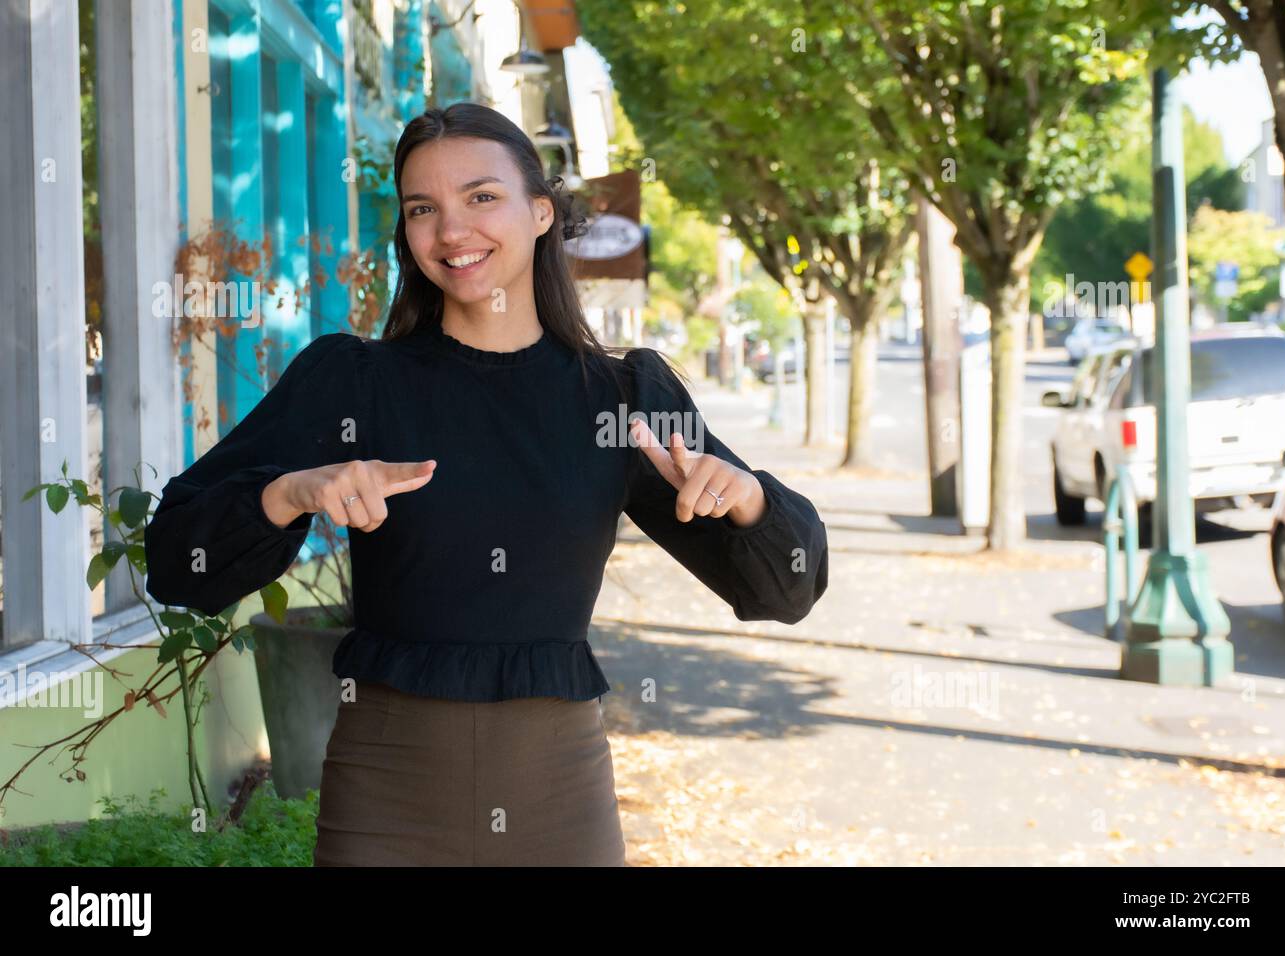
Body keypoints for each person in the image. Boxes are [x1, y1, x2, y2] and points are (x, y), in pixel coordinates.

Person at [143, 102, 830, 866]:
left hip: (559, 804)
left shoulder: (620, 400)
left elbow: (787, 590)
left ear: (542, 212)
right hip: (383, 802)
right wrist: (289, 495)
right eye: (422, 209)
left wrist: (749, 500)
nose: (452, 230)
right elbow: (176, 562)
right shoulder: (355, 385)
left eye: (481, 197)